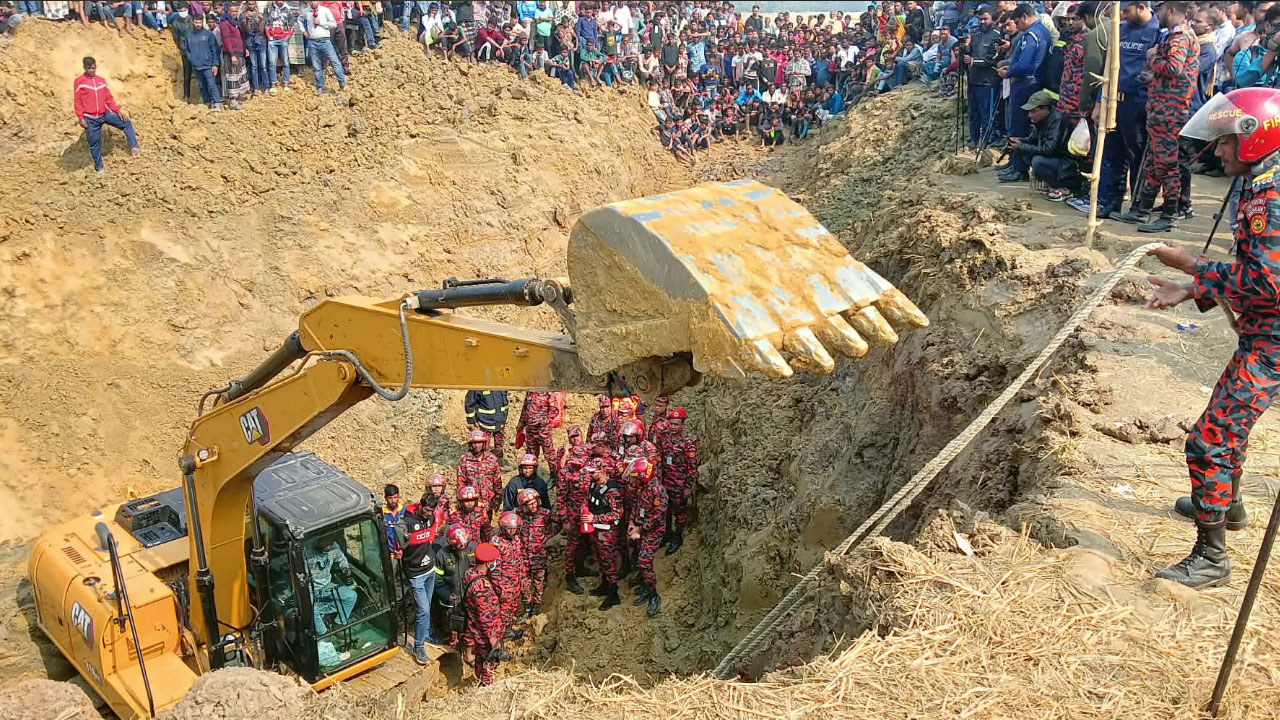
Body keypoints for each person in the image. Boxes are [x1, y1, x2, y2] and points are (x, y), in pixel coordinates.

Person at [1143, 87, 1280, 589]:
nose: (1217, 151)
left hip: (1274, 342)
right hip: (1265, 331)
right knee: (1228, 429)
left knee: (1208, 441)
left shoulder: (1273, 195)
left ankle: (1211, 558)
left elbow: (1268, 281)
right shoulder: (1261, 182)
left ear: (1252, 137)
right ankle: (1229, 504)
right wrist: (1189, 288)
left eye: (1224, 142)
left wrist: (1193, 268)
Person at [1111, 1, 1200, 233]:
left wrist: (1151, 57)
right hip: (1161, 108)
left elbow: (1173, 68)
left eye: (1160, 10)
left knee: (1167, 165)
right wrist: (1153, 76)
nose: (1157, 14)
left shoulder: (1179, 36)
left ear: (1171, 11)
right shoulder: (1174, 35)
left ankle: (1169, 215)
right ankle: (1141, 209)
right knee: (1152, 163)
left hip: (1169, 111)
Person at [1094, 1, 1160, 217]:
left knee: (1137, 156)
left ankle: (1137, 205)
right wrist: (1099, 102)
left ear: (1141, 7)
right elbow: (1106, 69)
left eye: (1126, 10)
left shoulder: (1158, 32)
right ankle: (1111, 203)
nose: (1122, 15)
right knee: (1114, 155)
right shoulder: (1120, 29)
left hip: (1137, 104)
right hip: (1114, 101)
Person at [995, 4, 1050, 182]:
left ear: (1025, 16)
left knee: (1018, 127)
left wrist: (1008, 72)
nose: (1017, 26)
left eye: (1017, 22)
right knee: (1016, 126)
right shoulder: (1039, 31)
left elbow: (1026, 64)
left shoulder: (1032, 34)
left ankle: (1019, 168)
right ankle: (1014, 163)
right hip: (1028, 81)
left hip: (1026, 83)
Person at [1006, 89, 1082, 201]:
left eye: (1033, 111)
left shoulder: (1057, 120)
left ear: (1044, 109)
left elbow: (1050, 149)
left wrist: (1021, 146)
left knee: (1037, 161)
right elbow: (1032, 140)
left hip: (1069, 164)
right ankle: (1054, 183)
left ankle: (1065, 187)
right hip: (1058, 160)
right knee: (1026, 153)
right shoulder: (1042, 121)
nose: (1029, 115)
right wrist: (1018, 141)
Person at [73, 56, 141, 174]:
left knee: (126, 123)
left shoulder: (101, 81)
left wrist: (118, 111)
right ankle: (99, 168)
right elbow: (77, 101)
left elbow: (108, 98)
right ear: (84, 68)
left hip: (104, 114)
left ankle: (134, 147)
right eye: (88, 68)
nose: (91, 70)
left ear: (96, 67)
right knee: (94, 144)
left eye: (93, 68)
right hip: (91, 119)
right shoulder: (80, 82)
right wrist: (81, 117)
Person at [396, 494, 442, 663]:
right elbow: (398, 544)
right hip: (415, 574)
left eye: (432, 511)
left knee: (427, 608)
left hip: (430, 570)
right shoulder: (406, 522)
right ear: (420, 506)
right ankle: (418, 647)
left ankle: (426, 634)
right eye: (427, 510)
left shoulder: (431, 518)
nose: (428, 513)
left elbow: (431, 537)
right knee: (423, 610)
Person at [581, 461, 623, 610]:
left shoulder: (612, 491)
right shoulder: (593, 485)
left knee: (608, 562)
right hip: (595, 530)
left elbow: (617, 513)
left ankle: (613, 594)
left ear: (602, 470)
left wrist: (595, 519)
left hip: (607, 532)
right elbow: (589, 499)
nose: (590, 474)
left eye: (593, 472)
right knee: (600, 559)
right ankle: (605, 585)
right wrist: (584, 506)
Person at [626, 458, 666, 616]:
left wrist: (639, 529)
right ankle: (644, 585)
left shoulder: (657, 492)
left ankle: (653, 595)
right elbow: (636, 506)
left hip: (652, 532)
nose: (633, 481)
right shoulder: (642, 488)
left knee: (644, 561)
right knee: (637, 556)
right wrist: (631, 523)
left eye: (636, 477)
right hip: (639, 528)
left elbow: (657, 518)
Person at [460, 542, 503, 686]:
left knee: (479, 659)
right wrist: (492, 638)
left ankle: (479, 677)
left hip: (473, 626)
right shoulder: (482, 587)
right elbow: (485, 616)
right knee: (488, 662)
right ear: (488, 563)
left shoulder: (470, 573)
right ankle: (486, 685)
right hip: (483, 632)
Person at [433, 524, 475, 647]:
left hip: (471, 597)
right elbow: (437, 579)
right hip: (452, 599)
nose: (461, 549)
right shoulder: (442, 555)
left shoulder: (473, 549)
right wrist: (446, 595)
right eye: (457, 547)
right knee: (450, 627)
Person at [490, 511, 526, 652]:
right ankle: (499, 646)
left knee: (512, 610)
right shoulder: (496, 543)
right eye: (509, 528)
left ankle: (508, 631)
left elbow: (519, 559)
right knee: (502, 615)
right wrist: (500, 589)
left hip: (515, 582)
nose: (512, 531)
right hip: (504, 584)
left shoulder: (517, 539)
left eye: (514, 528)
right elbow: (494, 570)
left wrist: (522, 579)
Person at [306, 536, 357, 634]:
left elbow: (341, 558)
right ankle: (324, 635)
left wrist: (345, 567)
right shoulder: (305, 551)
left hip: (327, 586)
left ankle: (338, 624)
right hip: (309, 589)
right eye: (325, 544)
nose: (328, 547)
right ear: (317, 540)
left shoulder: (334, 548)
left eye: (330, 543)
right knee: (312, 610)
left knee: (351, 596)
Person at [516, 487, 550, 619]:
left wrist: (548, 536)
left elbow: (559, 521)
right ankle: (527, 606)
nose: (533, 506)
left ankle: (536, 606)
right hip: (523, 556)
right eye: (529, 504)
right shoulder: (518, 515)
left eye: (534, 502)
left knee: (538, 582)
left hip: (538, 556)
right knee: (524, 584)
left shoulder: (544, 514)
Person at [457, 428, 503, 518]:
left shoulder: (492, 459)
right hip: (471, 503)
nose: (476, 445)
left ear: (484, 443)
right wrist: (461, 502)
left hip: (488, 502)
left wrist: (498, 499)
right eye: (474, 443)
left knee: (487, 529)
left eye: (479, 442)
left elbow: (497, 481)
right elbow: (460, 482)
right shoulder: (465, 460)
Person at [304, 0, 347, 93]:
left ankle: (342, 83)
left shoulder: (325, 10)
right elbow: (299, 20)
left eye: (314, 1)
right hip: (312, 42)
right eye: (310, 1)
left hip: (325, 41)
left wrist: (321, 22)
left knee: (335, 62)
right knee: (316, 66)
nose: (312, 3)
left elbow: (333, 24)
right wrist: (304, 31)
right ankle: (320, 86)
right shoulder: (306, 11)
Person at [186, 13, 223, 109]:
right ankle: (206, 103)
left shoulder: (208, 34)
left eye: (200, 22)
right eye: (196, 22)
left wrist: (215, 64)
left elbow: (214, 50)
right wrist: (191, 59)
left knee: (212, 85)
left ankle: (217, 104)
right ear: (193, 22)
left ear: (202, 23)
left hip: (208, 65)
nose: (198, 24)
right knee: (202, 86)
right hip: (196, 66)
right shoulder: (189, 35)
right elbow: (186, 49)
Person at [516, 391, 558, 469]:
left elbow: (554, 410)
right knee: (531, 453)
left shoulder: (549, 393)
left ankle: (554, 475)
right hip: (530, 430)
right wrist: (521, 423)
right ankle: (531, 475)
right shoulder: (530, 392)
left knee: (549, 454)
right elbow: (525, 408)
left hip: (543, 430)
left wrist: (542, 421)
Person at [465, 389, 510, 458]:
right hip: (485, 423)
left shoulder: (500, 384)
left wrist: (504, 417)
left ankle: (498, 462)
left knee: (499, 446)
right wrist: (472, 420)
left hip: (499, 422)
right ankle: (483, 463)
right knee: (484, 446)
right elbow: (469, 402)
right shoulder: (479, 386)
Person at [265, 0, 296, 93]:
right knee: (272, 63)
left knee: (286, 62)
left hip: (283, 39)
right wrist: (269, 37)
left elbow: (292, 24)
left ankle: (286, 83)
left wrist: (287, 37)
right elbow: (266, 24)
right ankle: (273, 84)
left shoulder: (288, 9)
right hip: (272, 39)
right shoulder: (268, 8)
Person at [381, 483, 406, 557]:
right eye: (390, 498)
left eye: (395, 497)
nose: (393, 500)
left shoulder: (404, 511)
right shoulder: (381, 514)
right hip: (390, 554)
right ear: (385, 498)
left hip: (405, 552)